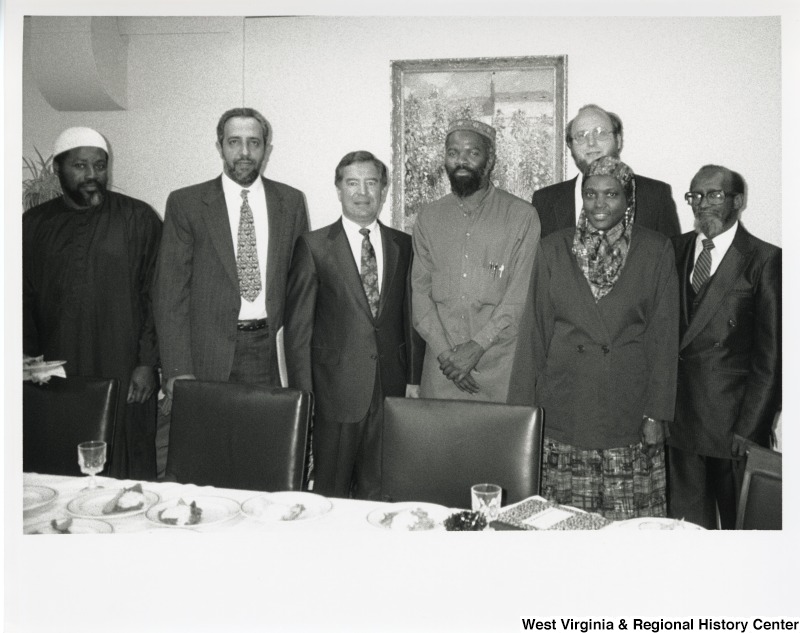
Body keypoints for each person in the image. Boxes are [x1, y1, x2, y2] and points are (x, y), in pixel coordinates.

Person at [508, 156, 679, 520]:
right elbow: (534, 333)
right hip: (566, 404)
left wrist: (657, 413)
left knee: (626, 526)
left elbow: (664, 339)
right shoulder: (554, 248)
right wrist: (521, 412)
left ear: (627, 199)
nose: (599, 204)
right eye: (590, 194)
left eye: (611, 194)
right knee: (564, 523)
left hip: (628, 407)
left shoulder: (655, 250)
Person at [153, 108, 309, 474]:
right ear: (220, 147)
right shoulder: (186, 203)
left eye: (253, 143)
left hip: (270, 352)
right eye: (234, 142)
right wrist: (177, 368)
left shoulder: (290, 202)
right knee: (207, 457)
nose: (244, 152)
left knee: (266, 451)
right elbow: (170, 292)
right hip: (207, 352)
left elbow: (302, 287)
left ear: (266, 149)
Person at [23, 127, 162, 479]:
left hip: (125, 364)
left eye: (100, 166)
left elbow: (156, 293)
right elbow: (19, 295)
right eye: (80, 166)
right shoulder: (32, 225)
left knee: (129, 460)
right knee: (62, 458)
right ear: (57, 168)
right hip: (59, 366)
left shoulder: (139, 218)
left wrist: (147, 362)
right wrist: (27, 356)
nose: (92, 176)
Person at [284, 151, 423, 499]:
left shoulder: (402, 244)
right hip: (335, 393)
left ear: (384, 188)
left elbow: (410, 316)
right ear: (338, 189)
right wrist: (305, 396)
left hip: (390, 387)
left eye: (372, 182)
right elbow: (298, 331)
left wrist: (413, 379)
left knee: (380, 487)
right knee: (331, 488)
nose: (363, 192)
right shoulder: (314, 246)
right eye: (352, 183)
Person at [668, 165, 781, 529]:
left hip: (733, 430)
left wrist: (749, 430)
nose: (703, 204)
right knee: (686, 534)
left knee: (742, 536)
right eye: (695, 196)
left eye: (714, 194)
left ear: (738, 200)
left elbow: (772, 359)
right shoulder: (676, 248)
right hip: (680, 424)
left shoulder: (765, 260)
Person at [411, 119, 539, 402]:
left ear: (490, 159)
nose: (461, 160)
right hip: (441, 369)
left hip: (499, 367)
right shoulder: (429, 218)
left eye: (472, 152)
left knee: (499, 445)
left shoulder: (522, 217)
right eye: (453, 152)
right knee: (437, 446)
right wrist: (447, 355)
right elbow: (420, 296)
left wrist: (476, 347)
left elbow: (520, 296)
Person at [532, 104, 680, 238]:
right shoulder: (545, 202)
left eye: (601, 133)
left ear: (618, 140)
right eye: (581, 136)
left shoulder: (655, 196)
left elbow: (672, 261)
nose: (591, 143)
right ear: (570, 146)